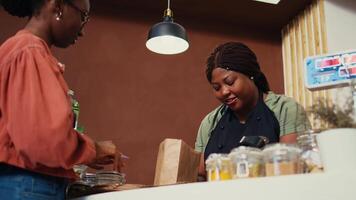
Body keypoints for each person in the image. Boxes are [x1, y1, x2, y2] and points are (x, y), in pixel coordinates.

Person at [0, 0, 122, 199]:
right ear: (57, 7)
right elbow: (43, 140)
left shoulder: (21, 49)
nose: (82, 31)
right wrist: (93, 149)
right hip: (28, 186)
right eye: (83, 17)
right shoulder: (30, 52)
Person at [195, 42, 311, 176]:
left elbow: (291, 165)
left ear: (250, 74)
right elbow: (200, 174)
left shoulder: (284, 109)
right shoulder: (210, 122)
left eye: (230, 82)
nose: (224, 91)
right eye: (217, 88)